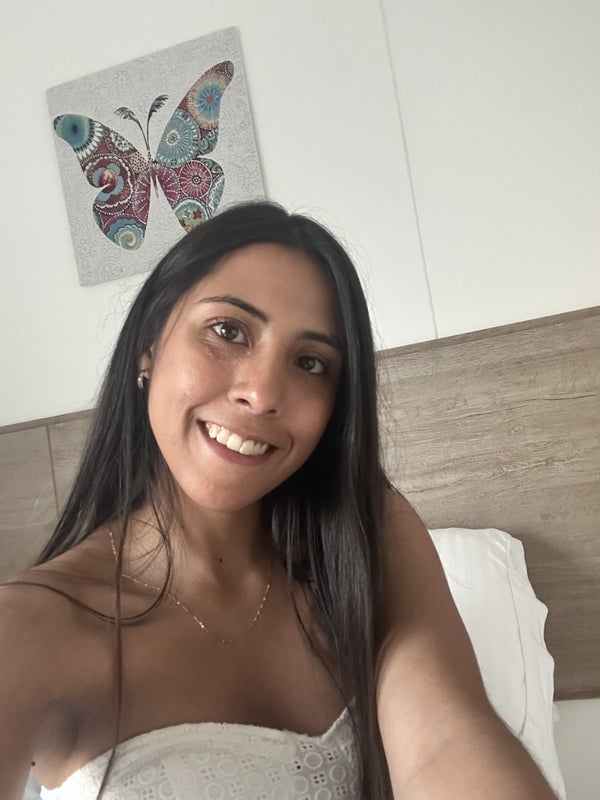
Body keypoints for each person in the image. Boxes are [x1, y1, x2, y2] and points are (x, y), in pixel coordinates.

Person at [0, 202, 557, 800]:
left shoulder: (368, 537)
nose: (263, 394)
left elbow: (445, 743)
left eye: (310, 363)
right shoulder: (28, 629)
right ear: (148, 346)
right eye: (228, 331)